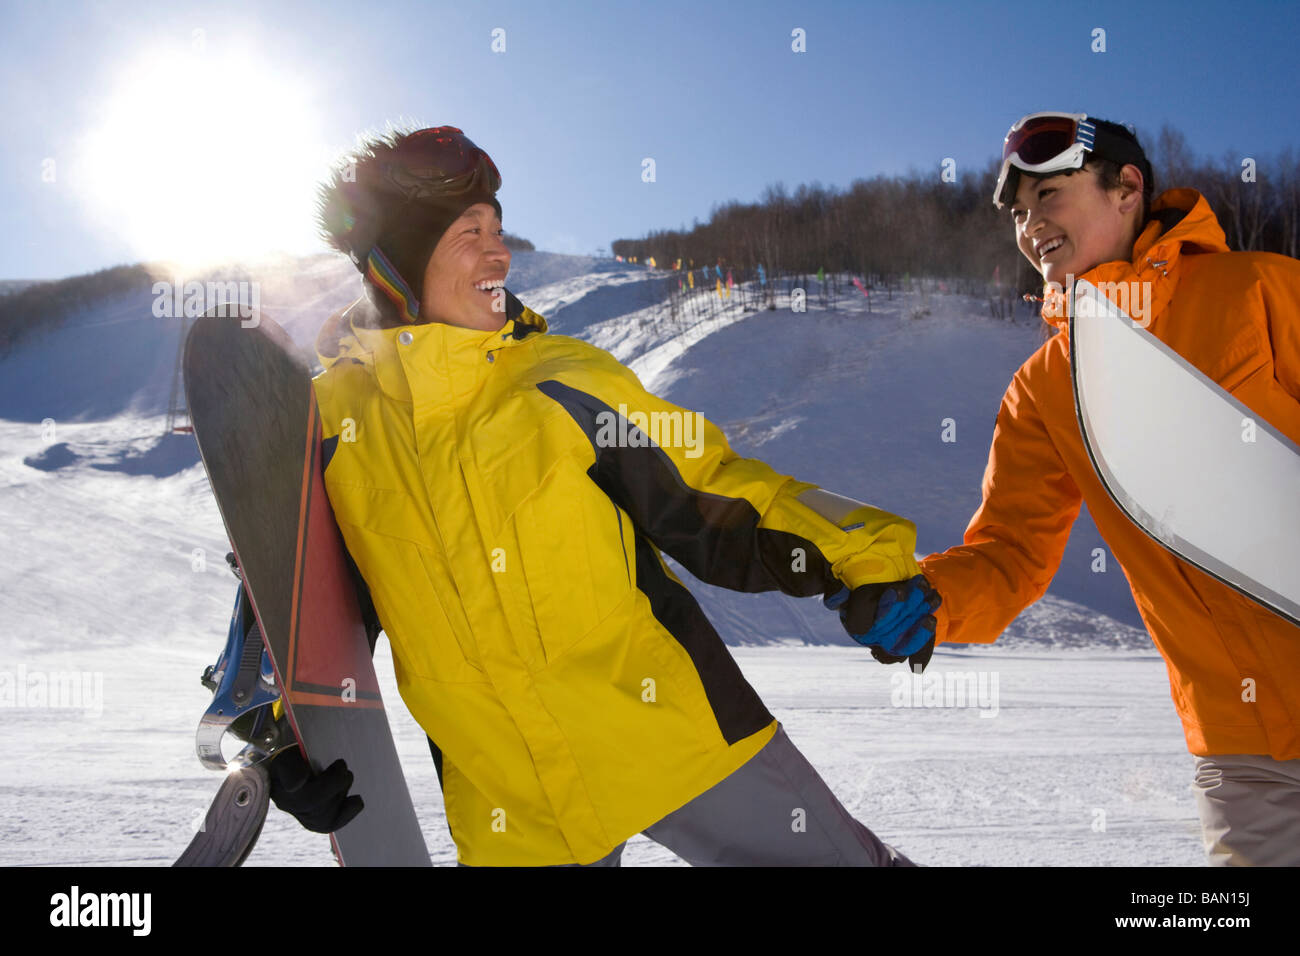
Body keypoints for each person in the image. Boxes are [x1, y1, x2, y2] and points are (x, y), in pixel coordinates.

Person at [268, 124, 941, 867]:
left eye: (499, 227)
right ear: (396, 262)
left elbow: (713, 489)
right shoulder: (329, 426)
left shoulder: (560, 380)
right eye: (471, 232)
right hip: (507, 801)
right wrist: (282, 732)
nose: (501, 253)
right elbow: (292, 606)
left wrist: (865, 558)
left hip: (668, 735)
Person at [915, 112, 1300, 865]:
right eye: (1019, 215)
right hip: (1243, 749)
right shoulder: (1045, 388)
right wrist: (925, 599)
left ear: (1127, 188)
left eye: (1049, 198)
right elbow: (1008, 556)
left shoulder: (1261, 290)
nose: (1030, 228)